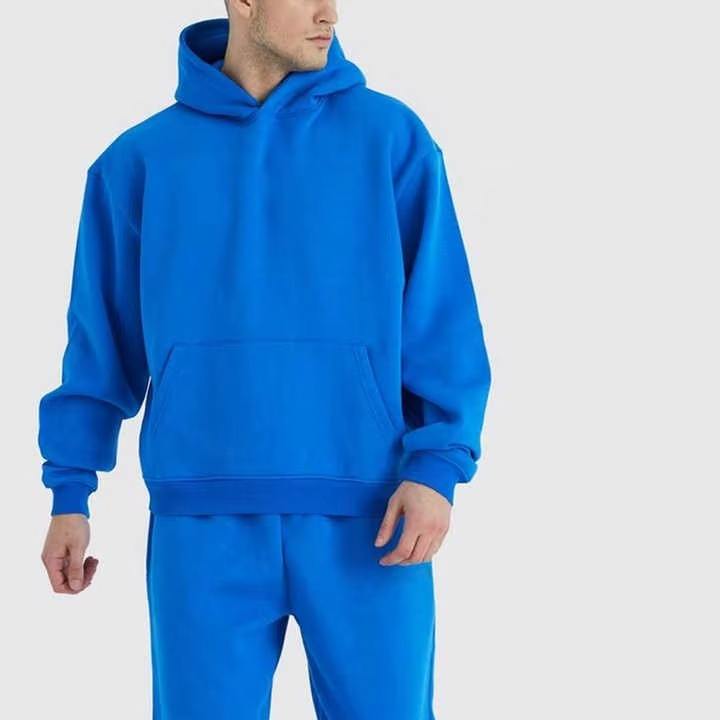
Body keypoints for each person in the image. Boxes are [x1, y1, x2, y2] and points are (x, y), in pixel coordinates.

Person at [38, 2, 492, 717]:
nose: (329, 12)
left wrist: (437, 467)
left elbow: (443, 322)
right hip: (201, 524)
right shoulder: (138, 162)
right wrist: (71, 492)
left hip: (374, 517)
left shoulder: (392, 139)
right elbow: (100, 345)